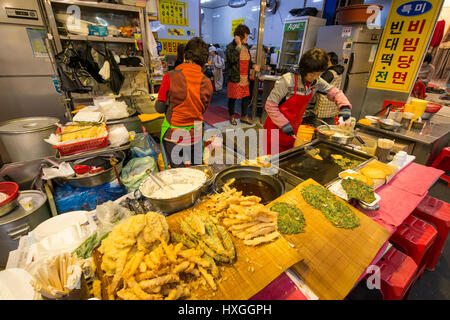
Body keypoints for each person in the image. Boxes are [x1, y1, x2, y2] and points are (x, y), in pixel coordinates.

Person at [263, 48, 352, 155]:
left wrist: (344, 106)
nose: (314, 78)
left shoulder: (316, 81)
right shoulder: (287, 80)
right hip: (275, 128)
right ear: (304, 69)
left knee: (285, 158)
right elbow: (270, 105)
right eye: (312, 74)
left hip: (294, 128)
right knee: (271, 161)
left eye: (318, 74)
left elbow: (335, 92)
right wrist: (283, 124)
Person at [156, 37, 213, 169]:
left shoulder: (170, 76)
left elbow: (159, 108)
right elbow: (203, 109)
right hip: (196, 133)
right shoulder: (207, 82)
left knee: (179, 174)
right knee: (198, 171)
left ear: (186, 55)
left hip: (174, 135)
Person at [225, 24, 259, 125]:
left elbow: (247, 60)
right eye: (246, 35)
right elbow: (231, 59)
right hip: (235, 77)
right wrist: (239, 46)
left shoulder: (246, 47)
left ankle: (244, 116)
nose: (247, 37)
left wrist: (253, 65)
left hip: (245, 77)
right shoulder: (231, 47)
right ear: (239, 36)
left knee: (245, 97)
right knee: (233, 98)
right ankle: (231, 116)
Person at [312, 52, 345, 126]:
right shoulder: (339, 71)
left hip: (323, 104)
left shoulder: (329, 73)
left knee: (318, 126)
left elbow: (319, 86)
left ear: (329, 61)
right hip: (332, 104)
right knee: (328, 126)